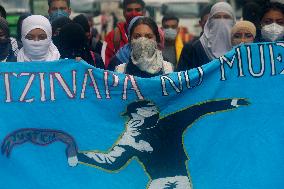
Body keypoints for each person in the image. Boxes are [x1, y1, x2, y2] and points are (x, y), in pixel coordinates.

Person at [2, 98, 249, 189]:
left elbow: (199, 108)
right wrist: (82, 155)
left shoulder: (170, 124)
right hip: (157, 182)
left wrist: (230, 102)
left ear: (147, 112)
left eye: (136, 114)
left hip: (180, 180)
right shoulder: (130, 136)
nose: (133, 118)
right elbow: (112, 161)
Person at [178, 2, 236, 71]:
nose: (221, 21)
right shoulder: (194, 48)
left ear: (233, 21)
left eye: (226, 17)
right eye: (217, 17)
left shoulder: (239, 48)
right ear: (210, 22)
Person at [102, 0, 146, 68]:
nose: (133, 14)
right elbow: (105, 67)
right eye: (129, 10)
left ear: (144, 12)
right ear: (124, 13)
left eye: (137, 10)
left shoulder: (153, 34)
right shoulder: (112, 36)